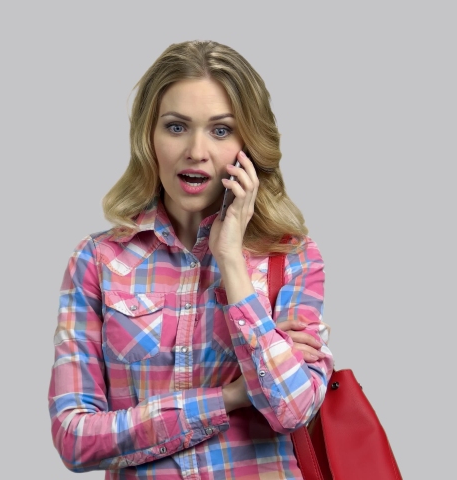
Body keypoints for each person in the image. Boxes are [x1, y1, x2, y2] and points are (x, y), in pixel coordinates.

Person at [48, 40, 333, 479]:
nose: (196, 151)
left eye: (220, 130)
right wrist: (229, 398)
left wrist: (231, 263)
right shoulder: (98, 261)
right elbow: (75, 439)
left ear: (248, 144)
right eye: (177, 127)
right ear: (149, 137)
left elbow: (292, 410)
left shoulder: (291, 258)